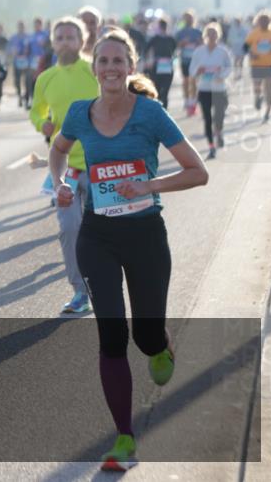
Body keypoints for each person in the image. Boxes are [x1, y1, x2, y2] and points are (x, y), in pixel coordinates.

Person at [49, 27, 207, 472]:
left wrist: (148, 184)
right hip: (97, 235)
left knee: (145, 336)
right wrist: (60, 183)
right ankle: (124, 439)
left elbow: (198, 172)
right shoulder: (80, 113)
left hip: (145, 235)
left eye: (120, 61)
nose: (111, 68)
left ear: (131, 67)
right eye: (104, 61)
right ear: (94, 67)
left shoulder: (151, 114)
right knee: (112, 334)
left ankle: (161, 344)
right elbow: (58, 151)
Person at [29, 16, 99, 314]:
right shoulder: (46, 79)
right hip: (66, 169)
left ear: (82, 41)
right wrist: (42, 124)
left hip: (99, 167)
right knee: (69, 230)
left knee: (102, 232)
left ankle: (106, 286)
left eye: (72, 37)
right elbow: (36, 113)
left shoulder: (94, 71)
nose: (66, 42)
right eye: (60, 37)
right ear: (53, 42)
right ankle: (80, 292)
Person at [190, 22, 232, 158]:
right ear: (205, 35)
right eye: (209, 33)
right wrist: (199, 70)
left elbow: (229, 67)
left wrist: (221, 74)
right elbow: (191, 71)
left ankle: (219, 132)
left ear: (218, 35)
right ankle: (211, 146)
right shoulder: (198, 51)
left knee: (219, 116)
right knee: (207, 119)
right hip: (204, 89)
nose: (212, 36)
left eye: (214, 34)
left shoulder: (223, 51)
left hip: (219, 88)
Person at [245, 10, 271, 122]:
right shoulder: (254, 34)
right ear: (258, 21)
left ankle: (267, 113)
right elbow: (245, 47)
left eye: (266, 20)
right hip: (256, 64)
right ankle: (257, 97)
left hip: (269, 65)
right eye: (262, 20)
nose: (264, 22)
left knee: (268, 90)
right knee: (257, 86)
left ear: (269, 21)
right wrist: (251, 54)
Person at [175, 10, 203, 116]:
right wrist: (182, 43)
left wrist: (198, 43)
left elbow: (202, 45)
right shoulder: (180, 32)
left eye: (190, 18)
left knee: (194, 81)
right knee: (186, 81)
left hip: (195, 60)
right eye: (186, 18)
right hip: (185, 59)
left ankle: (193, 102)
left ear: (193, 19)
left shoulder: (197, 31)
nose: (188, 20)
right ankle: (187, 101)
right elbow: (176, 45)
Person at [144, 19, 177, 109]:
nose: (163, 28)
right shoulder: (155, 39)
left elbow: (175, 51)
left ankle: (164, 109)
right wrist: (148, 61)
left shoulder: (171, 39)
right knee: (157, 90)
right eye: (162, 26)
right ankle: (158, 109)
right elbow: (146, 50)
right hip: (156, 67)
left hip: (167, 67)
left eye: (164, 26)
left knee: (165, 91)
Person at [8, 21, 30, 108]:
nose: (21, 28)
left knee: (27, 81)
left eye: (22, 26)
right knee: (17, 81)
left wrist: (27, 51)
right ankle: (19, 96)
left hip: (26, 62)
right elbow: (8, 49)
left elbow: (33, 48)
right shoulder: (13, 38)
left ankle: (27, 99)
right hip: (16, 62)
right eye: (20, 26)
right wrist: (12, 52)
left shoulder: (28, 37)